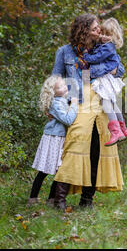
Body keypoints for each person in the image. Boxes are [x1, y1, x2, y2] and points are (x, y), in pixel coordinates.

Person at [50, 13, 125, 210]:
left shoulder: (101, 48)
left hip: (100, 99)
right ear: (83, 31)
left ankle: (87, 200)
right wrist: (53, 105)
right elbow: (56, 79)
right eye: (94, 28)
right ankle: (59, 199)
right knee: (75, 143)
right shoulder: (65, 52)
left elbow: (120, 68)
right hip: (78, 100)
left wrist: (114, 70)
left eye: (99, 28)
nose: (98, 31)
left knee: (97, 148)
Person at [27, 75, 78, 206]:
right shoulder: (55, 103)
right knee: (44, 171)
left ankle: (51, 199)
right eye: (60, 87)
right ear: (53, 92)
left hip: (61, 138)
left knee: (60, 170)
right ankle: (32, 198)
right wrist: (74, 105)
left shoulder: (62, 99)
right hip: (54, 139)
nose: (65, 87)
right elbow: (68, 119)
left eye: (64, 84)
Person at [82, 17, 127, 146]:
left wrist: (86, 55)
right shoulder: (104, 45)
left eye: (107, 35)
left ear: (114, 36)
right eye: (102, 33)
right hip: (106, 78)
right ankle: (123, 129)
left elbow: (97, 58)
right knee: (114, 104)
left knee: (106, 103)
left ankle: (116, 132)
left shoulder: (108, 47)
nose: (103, 36)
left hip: (104, 80)